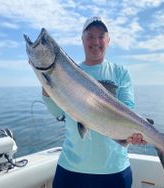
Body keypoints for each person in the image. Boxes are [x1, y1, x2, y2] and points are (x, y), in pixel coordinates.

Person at [42, 16, 145, 188]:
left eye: (101, 36)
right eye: (90, 36)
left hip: (114, 170)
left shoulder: (121, 73)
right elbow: (58, 112)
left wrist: (137, 132)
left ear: (108, 40)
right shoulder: (67, 71)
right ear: (82, 39)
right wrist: (46, 83)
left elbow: (128, 109)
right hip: (71, 169)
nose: (95, 41)